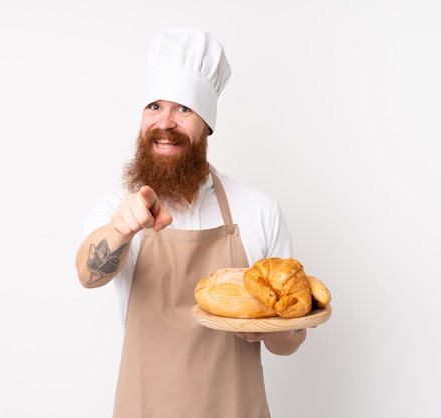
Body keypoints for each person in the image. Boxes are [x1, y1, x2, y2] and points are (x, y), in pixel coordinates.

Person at [76, 26, 306, 418]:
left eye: (183, 109)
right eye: (155, 106)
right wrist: (121, 230)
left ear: (207, 125)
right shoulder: (120, 209)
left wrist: (274, 328)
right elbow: (88, 274)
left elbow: (292, 339)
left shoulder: (257, 209)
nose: (165, 123)